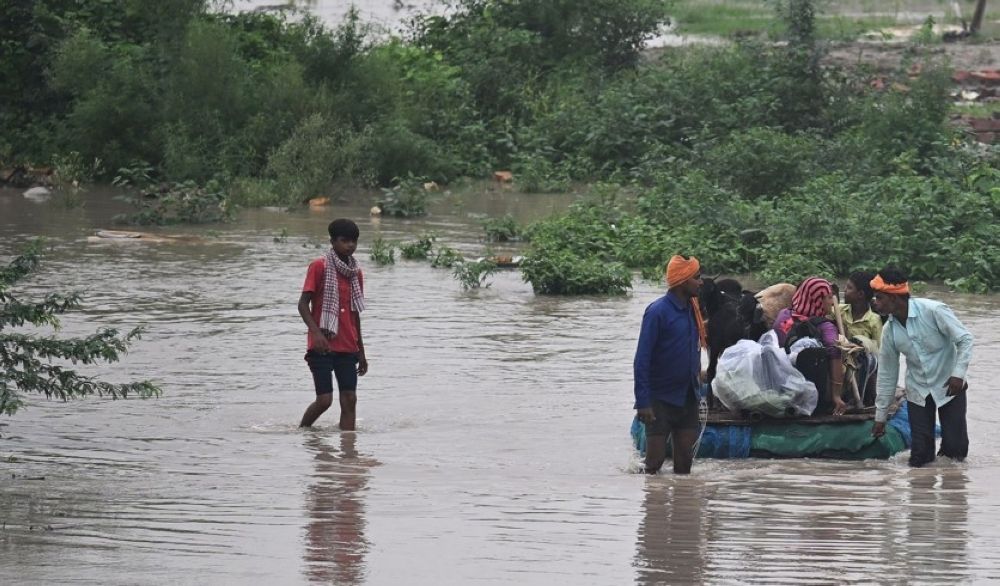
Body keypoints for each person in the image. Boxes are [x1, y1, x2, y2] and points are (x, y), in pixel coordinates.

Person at [870, 268, 973, 467]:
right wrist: (880, 417)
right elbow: (887, 374)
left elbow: (965, 339)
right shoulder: (889, 330)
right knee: (920, 456)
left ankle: (953, 491)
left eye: (880, 298)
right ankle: (920, 495)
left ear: (894, 298)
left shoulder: (934, 311)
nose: (876, 303)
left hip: (950, 386)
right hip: (918, 390)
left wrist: (958, 375)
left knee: (956, 451)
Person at [633, 254, 706, 474]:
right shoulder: (657, 312)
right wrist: (643, 402)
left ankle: (682, 508)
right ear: (683, 281)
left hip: (688, 397)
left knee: (685, 467)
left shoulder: (693, 311)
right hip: (660, 400)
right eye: (697, 277)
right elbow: (642, 359)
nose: (701, 282)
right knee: (653, 466)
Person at [299, 219, 369, 429]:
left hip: (347, 345)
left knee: (350, 399)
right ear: (332, 241)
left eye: (354, 241)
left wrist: (362, 352)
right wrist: (317, 334)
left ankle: (348, 452)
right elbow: (303, 305)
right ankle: (303, 433)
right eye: (344, 240)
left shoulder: (355, 273)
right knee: (325, 400)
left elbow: (355, 314)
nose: (350, 246)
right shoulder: (319, 266)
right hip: (321, 346)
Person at [773, 277, 846, 414]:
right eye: (829, 298)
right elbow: (835, 354)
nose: (832, 302)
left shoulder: (784, 315)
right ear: (818, 300)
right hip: (815, 387)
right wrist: (836, 396)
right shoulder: (826, 327)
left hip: (782, 383)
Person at [837, 271, 883, 405]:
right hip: (843, 363)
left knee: (865, 353)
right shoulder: (840, 311)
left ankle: (861, 398)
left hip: (863, 366)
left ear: (860, 295)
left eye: (849, 288)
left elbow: (878, 351)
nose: (844, 291)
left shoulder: (874, 320)